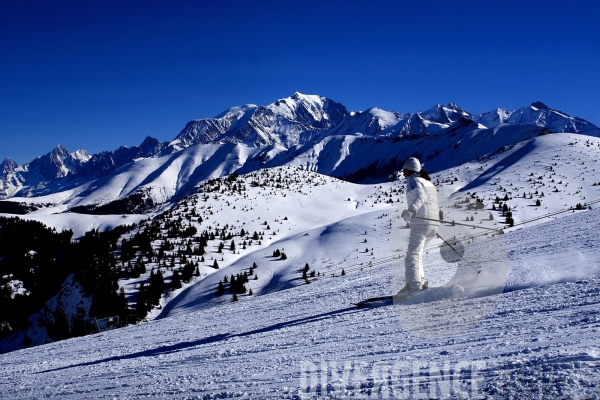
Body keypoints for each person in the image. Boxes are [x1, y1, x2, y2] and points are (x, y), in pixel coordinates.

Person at [398, 157, 439, 298]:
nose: (403, 175)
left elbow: (421, 196)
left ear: (409, 171)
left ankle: (414, 288)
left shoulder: (414, 181)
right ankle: (418, 283)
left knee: (412, 255)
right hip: (433, 223)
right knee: (417, 254)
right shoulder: (427, 182)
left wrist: (411, 211)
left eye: (404, 171)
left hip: (422, 223)